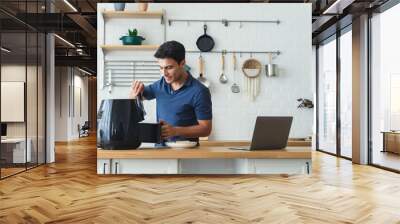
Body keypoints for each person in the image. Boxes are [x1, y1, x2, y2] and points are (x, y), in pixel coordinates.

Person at [129, 40, 212, 143]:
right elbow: (137, 98)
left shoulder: (199, 91)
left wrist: (176, 131)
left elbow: (206, 129)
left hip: (186, 152)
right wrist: (134, 93)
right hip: (160, 151)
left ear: (182, 63)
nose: (164, 73)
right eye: (161, 68)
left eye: (169, 68)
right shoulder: (160, 85)